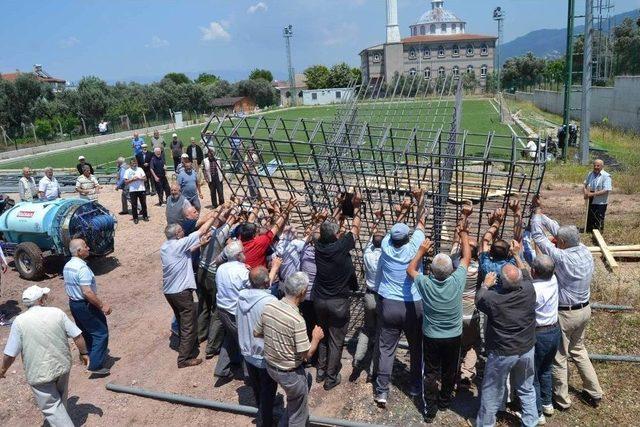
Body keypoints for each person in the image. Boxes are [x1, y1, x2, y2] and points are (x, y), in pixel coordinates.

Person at [530, 196, 603, 409]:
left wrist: (536, 217)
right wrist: (541, 212)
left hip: (566, 314)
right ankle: (594, 391)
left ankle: (561, 400)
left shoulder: (561, 257)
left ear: (561, 244)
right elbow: (558, 230)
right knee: (579, 350)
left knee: (559, 356)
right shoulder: (584, 251)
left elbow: (538, 237)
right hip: (585, 309)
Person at [407, 215, 471, 423]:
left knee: (431, 372)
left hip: (432, 336)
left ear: (432, 272)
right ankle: (444, 401)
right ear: (451, 270)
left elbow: (411, 270)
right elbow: (466, 258)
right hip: (454, 334)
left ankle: (430, 409)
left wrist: (421, 251)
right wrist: (463, 234)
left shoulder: (426, 284)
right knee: (450, 369)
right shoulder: (457, 281)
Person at [1, 285, 89, 426]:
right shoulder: (57, 313)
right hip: (62, 365)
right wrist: (84, 353)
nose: (46, 298)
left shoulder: (19, 322)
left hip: (38, 373)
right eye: (44, 296)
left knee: (51, 407)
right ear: (40, 301)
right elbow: (77, 336)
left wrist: (3, 369)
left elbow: (10, 354)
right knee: (60, 399)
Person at [374, 191, 427, 406]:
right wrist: (420, 199)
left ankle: (382, 391)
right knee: (416, 347)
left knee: (386, 349)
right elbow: (421, 222)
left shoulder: (386, 248)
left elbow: (392, 231)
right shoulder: (414, 247)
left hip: (389, 304)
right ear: (408, 238)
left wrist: (401, 213)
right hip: (412, 304)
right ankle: (415, 385)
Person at [255, 272, 325, 427]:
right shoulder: (297, 320)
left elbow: (257, 332)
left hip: (270, 366)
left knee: (304, 384)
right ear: (301, 293)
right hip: (289, 373)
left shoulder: (269, 305)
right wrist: (316, 338)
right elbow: (307, 355)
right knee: (298, 416)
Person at [475, 260, 537, 427]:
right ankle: (530, 422)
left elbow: (479, 299)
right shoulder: (529, 290)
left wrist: (486, 285)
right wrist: (517, 255)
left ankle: (486, 424)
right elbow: (525, 273)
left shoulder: (494, 299)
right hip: (526, 348)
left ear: (501, 282)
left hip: (503, 352)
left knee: (492, 389)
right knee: (526, 387)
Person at [312, 194, 362, 391]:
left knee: (322, 335)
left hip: (320, 300)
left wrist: (338, 208)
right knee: (336, 339)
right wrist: (356, 208)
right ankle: (331, 377)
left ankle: (321, 371)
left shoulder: (318, 246)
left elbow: (324, 230)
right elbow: (355, 228)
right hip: (338, 302)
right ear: (335, 235)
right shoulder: (341, 247)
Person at [161, 216, 216, 368]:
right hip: (181, 292)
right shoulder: (179, 244)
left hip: (169, 291)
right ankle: (184, 358)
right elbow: (203, 230)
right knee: (189, 324)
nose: (183, 231)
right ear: (177, 234)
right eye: (181, 230)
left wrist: (200, 244)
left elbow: (184, 252)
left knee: (181, 320)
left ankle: (186, 346)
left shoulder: (166, 246)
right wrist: (215, 215)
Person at [237, 266, 278, 427]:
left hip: (247, 350)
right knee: (268, 390)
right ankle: (266, 421)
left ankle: (261, 407)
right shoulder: (270, 302)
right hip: (263, 354)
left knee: (256, 385)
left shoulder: (241, 297)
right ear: (267, 282)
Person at [64, 238, 112, 376]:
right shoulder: (82, 268)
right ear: (79, 251)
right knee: (100, 332)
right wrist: (102, 306)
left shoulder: (68, 265)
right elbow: (87, 292)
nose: (88, 248)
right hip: (85, 305)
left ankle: (89, 356)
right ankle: (95, 366)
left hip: (74, 303)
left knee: (86, 331)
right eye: (85, 246)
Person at [197, 204, 237, 359]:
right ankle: (212, 346)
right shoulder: (221, 234)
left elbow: (225, 220)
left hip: (201, 270)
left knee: (203, 304)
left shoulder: (206, 232)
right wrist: (234, 211)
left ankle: (200, 334)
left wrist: (222, 209)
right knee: (216, 310)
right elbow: (231, 221)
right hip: (213, 274)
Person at [351, 208, 384, 382]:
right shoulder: (386, 257)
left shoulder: (367, 254)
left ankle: (357, 359)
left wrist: (376, 221)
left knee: (366, 328)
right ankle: (373, 370)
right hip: (381, 298)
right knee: (379, 332)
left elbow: (372, 239)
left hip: (368, 295)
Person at [527, 253, 560, 425]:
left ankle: (537, 412)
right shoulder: (553, 280)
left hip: (538, 334)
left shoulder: (533, 290)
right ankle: (548, 403)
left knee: (533, 375)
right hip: (554, 331)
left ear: (534, 271)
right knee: (546, 369)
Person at [215, 240, 250, 379]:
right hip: (235, 313)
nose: (244, 253)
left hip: (222, 309)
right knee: (246, 342)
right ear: (237, 255)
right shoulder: (242, 272)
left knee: (230, 337)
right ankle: (249, 375)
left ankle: (221, 368)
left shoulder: (221, 268)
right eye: (242, 252)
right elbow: (254, 287)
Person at [240, 198, 296, 269]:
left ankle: (276, 211)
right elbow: (276, 227)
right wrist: (287, 210)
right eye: (257, 231)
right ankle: (277, 210)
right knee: (277, 232)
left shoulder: (241, 237)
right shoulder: (259, 242)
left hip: (252, 267)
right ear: (254, 235)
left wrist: (258, 204)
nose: (258, 229)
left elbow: (250, 221)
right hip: (260, 273)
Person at [583, 159, 612, 232]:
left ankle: (598, 232)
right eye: (594, 165)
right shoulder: (590, 174)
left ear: (602, 166)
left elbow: (606, 190)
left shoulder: (606, 176)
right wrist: (585, 193)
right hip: (590, 198)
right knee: (590, 216)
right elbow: (585, 185)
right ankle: (589, 231)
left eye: (598, 166)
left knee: (598, 217)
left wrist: (592, 194)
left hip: (600, 201)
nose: (596, 167)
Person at [124, 158, 148, 224]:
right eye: (133, 164)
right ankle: (135, 218)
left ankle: (145, 216)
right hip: (132, 190)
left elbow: (145, 178)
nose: (134, 165)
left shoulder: (140, 169)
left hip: (141, 189)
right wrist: (132, 179)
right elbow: (125, 182)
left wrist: (139, 178)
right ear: (130, 164)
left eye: (135, 163)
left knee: (143, 203)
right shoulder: (127, 171)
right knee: (134, 205)